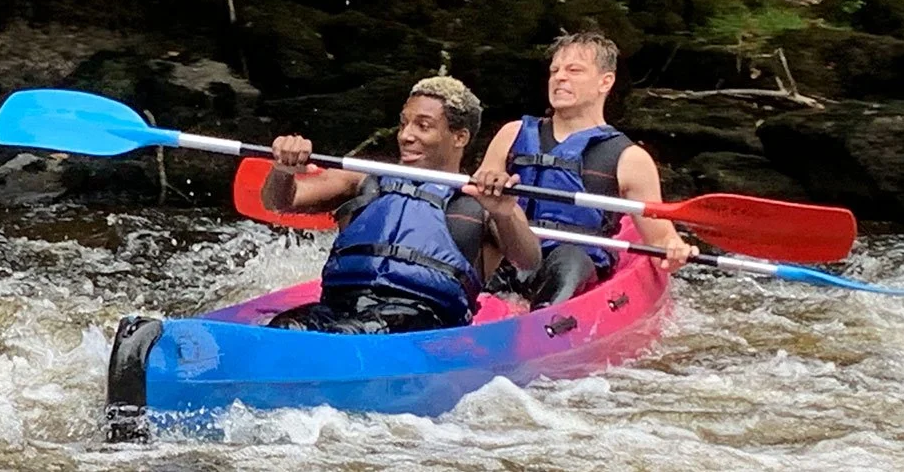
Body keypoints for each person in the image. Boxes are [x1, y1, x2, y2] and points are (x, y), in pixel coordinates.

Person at [260, 76, 543, 334]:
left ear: (460, 137)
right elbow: (279, 201)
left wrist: (504, 214)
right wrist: (283, 171)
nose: (406, 135)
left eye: (423, 126)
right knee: (283, 329)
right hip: (338, 305)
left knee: (352, 334)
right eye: (403, 123)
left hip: (421, 320)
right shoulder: (362, 179)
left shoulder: (480, 201)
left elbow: (528, 261)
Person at [472, 31, 699, 309]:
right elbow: (477, 204)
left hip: (574, 261)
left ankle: (544, 316)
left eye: (574, 70)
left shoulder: (630, 158)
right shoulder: (512, 133)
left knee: (570, 260)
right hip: (509, 250)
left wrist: (675, 249)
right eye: (554, 70)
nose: (559, 77)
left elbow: (661, 238)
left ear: (606, 81)